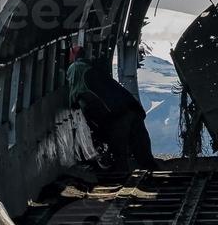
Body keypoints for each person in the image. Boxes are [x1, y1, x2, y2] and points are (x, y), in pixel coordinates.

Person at [67, 44, 156, 173]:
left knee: (119, 154)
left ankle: (121, 179)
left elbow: (74, 98)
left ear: (74, 54)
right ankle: (153, 176)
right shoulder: (95, 68)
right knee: (143, 152)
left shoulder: (76, 68)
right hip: (132, 108)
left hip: (116, 115)